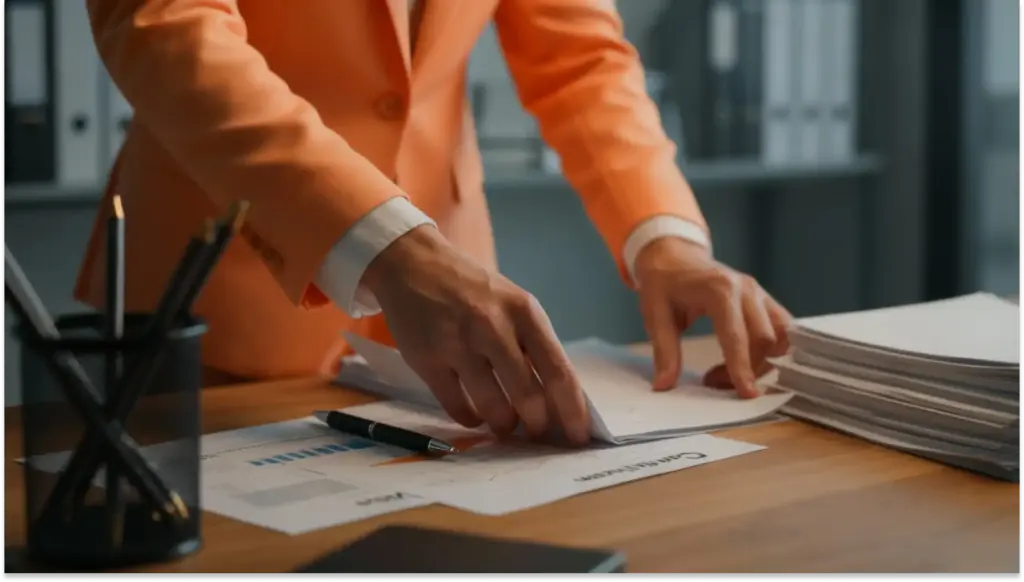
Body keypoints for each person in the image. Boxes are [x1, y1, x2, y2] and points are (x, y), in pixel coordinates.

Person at [76, 0, 792, 445]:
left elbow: (578, 57)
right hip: (219, 295)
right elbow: (163, 21)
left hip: (454, 318)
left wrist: (664, 238)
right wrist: (385, 244)